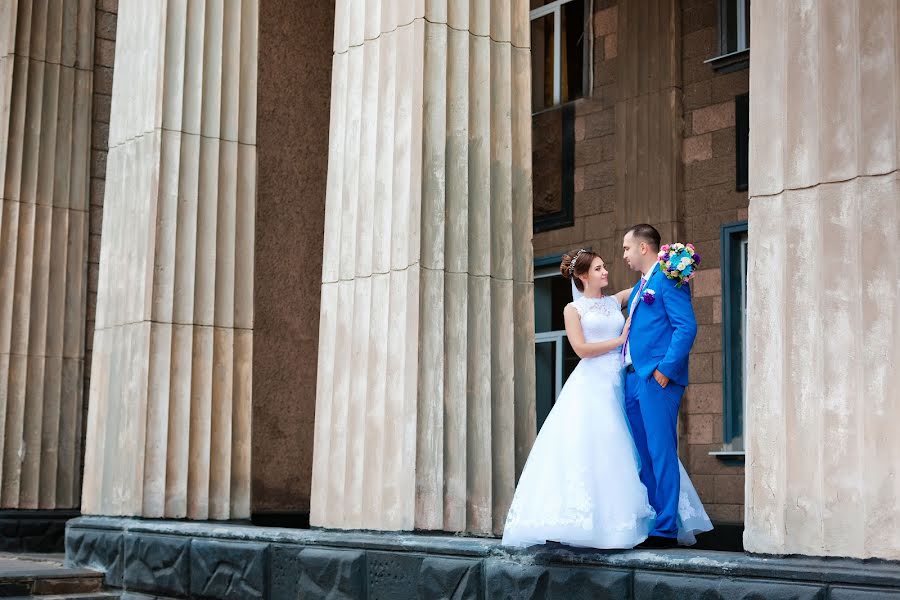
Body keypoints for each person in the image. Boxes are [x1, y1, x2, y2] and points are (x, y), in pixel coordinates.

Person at [501, 248, 711, 549]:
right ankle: (592, 522)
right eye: (599, 269)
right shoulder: (573, 310)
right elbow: (581, 349)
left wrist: (675, 262)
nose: (605, 272)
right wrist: (620, 340)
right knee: (598, 446)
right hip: (593, 382)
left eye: (604, 266)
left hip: (622, 380)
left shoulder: (615, 301)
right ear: (583, 276)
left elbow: (648, 283)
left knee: (638, 445)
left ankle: (655, 518)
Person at [622, 224, 709, 548]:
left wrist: (665, 371)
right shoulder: (638, 287)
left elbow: (686, 327)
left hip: (657, 380)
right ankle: (653, 520)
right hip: (632, 379)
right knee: (643, 454)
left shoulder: (669, 278)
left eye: (627, 248)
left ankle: (666, 528)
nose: (624, 255)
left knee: (661, 453)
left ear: (644, 248)